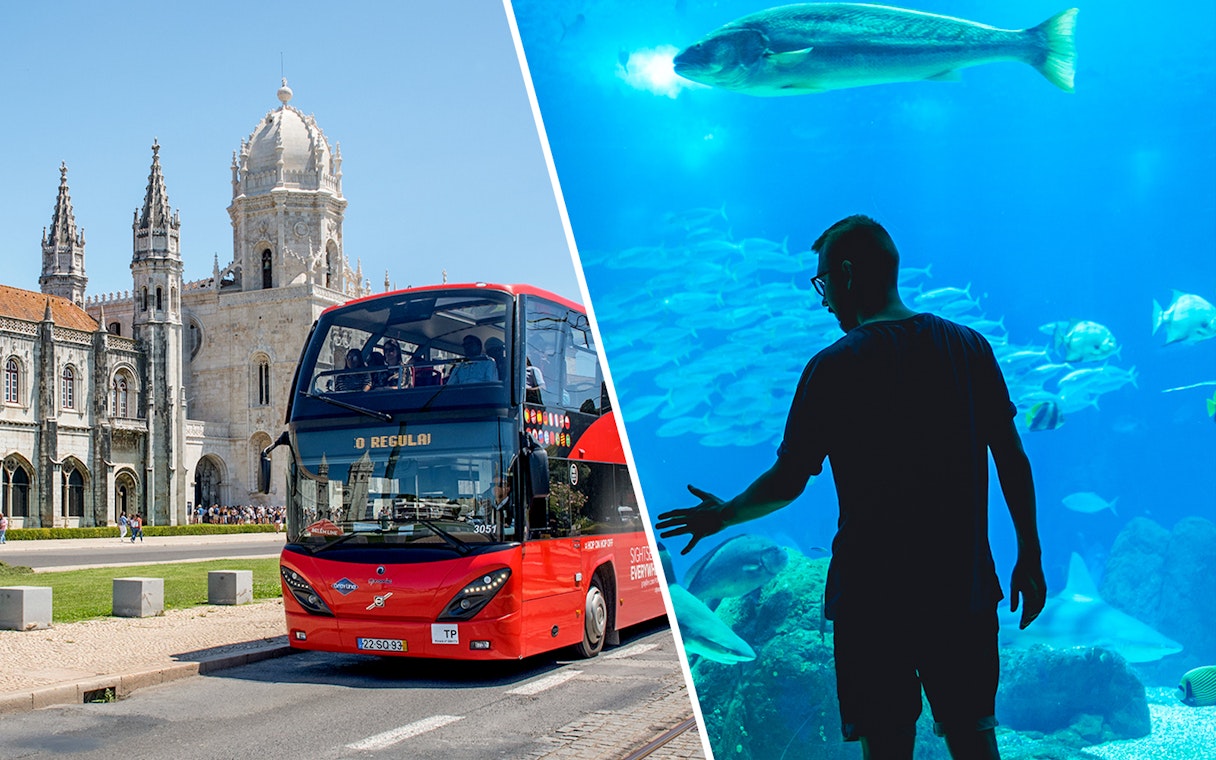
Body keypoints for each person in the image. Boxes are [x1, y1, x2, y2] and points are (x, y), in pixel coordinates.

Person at [656, 215, 1046, 760]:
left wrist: (722, 516)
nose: (823, 301)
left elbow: (789, 480)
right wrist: (1029, 552)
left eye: (823, 284)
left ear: (845, 274)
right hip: (962, 588)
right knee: (974, 737)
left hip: (872, 596)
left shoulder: (834, 367)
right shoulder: (969, 349)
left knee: (885, 745)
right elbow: (1011, 458)